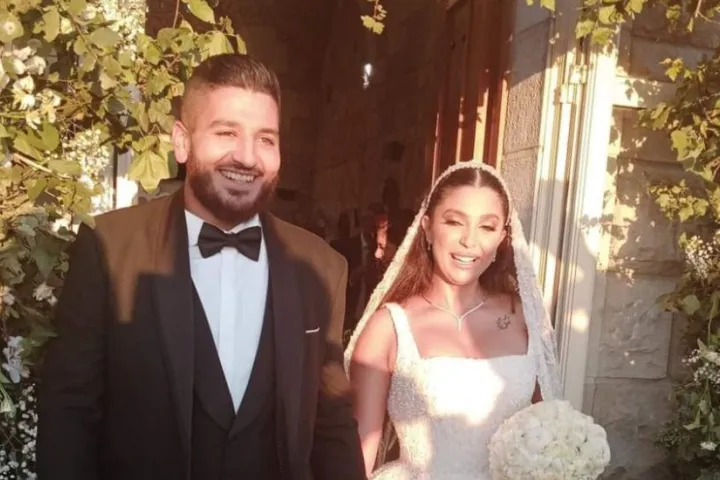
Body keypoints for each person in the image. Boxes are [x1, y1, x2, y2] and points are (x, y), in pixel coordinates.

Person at [37, 54, 365, 480]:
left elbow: (331, 422)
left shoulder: (320, 266)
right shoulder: (109, 247)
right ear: (182, 141)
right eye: (226, 132)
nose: (247, 157)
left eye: (266, 139)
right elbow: (69, 410)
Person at [344, 161, 561, 479]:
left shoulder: (524, 318)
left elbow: (549, 432)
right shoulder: (388, 328)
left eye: (487, 227)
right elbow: (355, 460)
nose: (469, 241)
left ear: (502, 238)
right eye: (455, 222)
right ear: (427, 227)